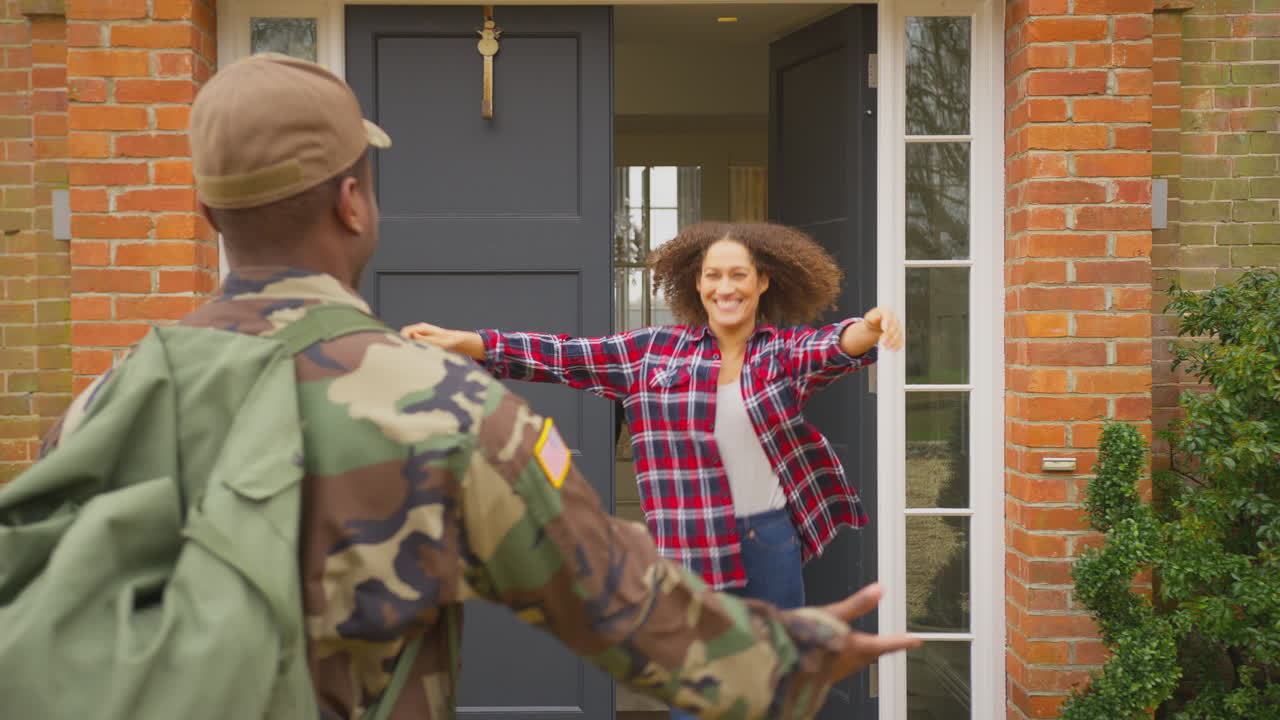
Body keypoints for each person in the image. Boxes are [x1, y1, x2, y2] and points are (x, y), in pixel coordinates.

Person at [38, 54, 917, 719]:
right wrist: (799, 657)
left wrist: (864, 334)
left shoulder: (104, 401)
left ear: (208, 216)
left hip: (760, 535)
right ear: (353, 203)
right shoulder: (446, 411)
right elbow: (614, 603)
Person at [402, 223, 903, 716]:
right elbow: (564, 356)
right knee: (695, 690)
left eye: (738, 275)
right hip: (687, 546)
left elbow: (833, 345)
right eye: (712, 275)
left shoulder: (780, 352)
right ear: (697, 283)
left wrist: (870, 327)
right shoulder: (652, 352)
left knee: (775, 687)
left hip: (770, 542)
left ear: (762, 281)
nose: (725, 287)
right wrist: (466, 342)